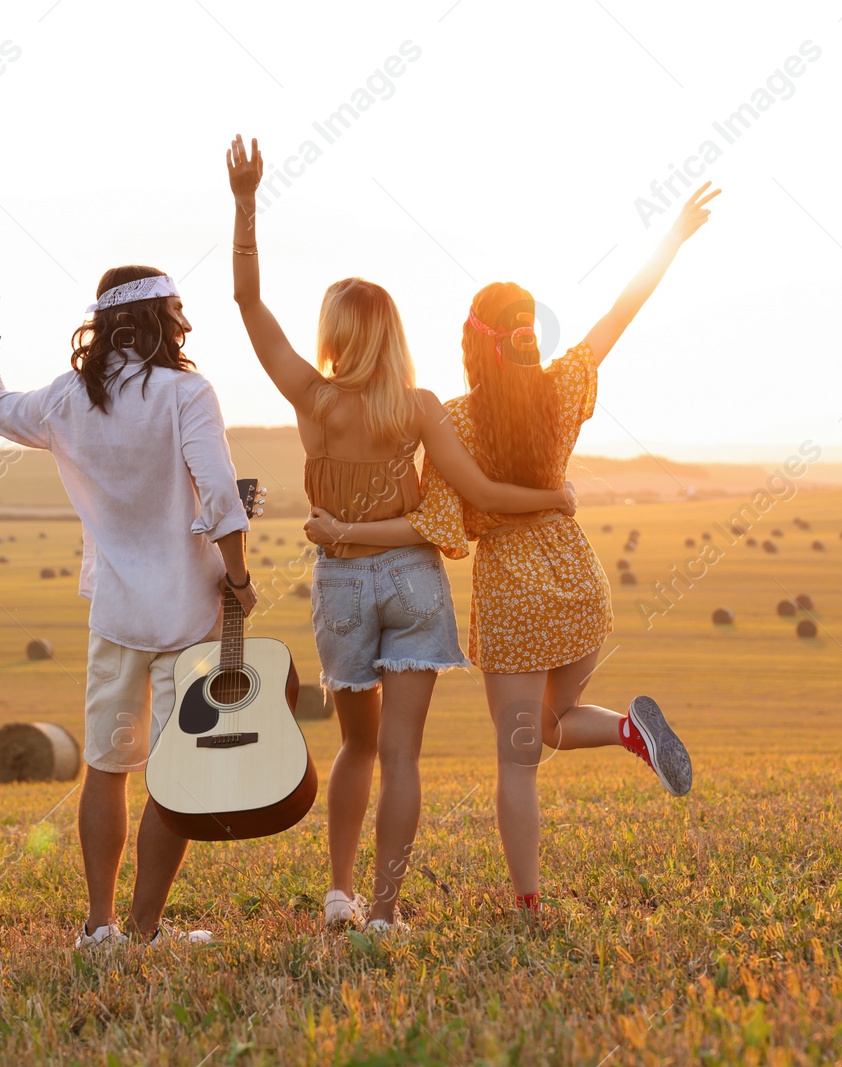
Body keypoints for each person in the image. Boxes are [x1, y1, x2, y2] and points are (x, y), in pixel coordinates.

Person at [305, 182, 720, 914]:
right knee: (555, 724)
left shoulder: (457, 423)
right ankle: (629, 730)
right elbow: (619, 314)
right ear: (532, 336)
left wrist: (346, 534)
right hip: (579, 577)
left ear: (472, 343)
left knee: (517, 758)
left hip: (513, 592)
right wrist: (674, 238)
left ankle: (528, 900)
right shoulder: (563, 389)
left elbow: (435, 524)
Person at [226, 136, 576, 933]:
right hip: (415, 581)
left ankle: (341, 895)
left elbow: (248, 305)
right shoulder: (417, 406)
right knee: (402, 758)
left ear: (335, 334)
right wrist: (552, 497)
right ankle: (386, 912)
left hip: (343, 585)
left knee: (355, 748)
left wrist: (246, 202)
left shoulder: (312, 397)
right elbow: (483, 491)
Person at [0, 251, 256, 947]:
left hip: (116, 614)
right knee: (173, 774)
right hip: (189, 611)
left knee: (105, 766)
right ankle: (149, 929)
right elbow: (219, 491)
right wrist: (239, 578)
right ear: (164, 319)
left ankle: (100, 926)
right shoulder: (189, 394)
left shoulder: (67, 399)